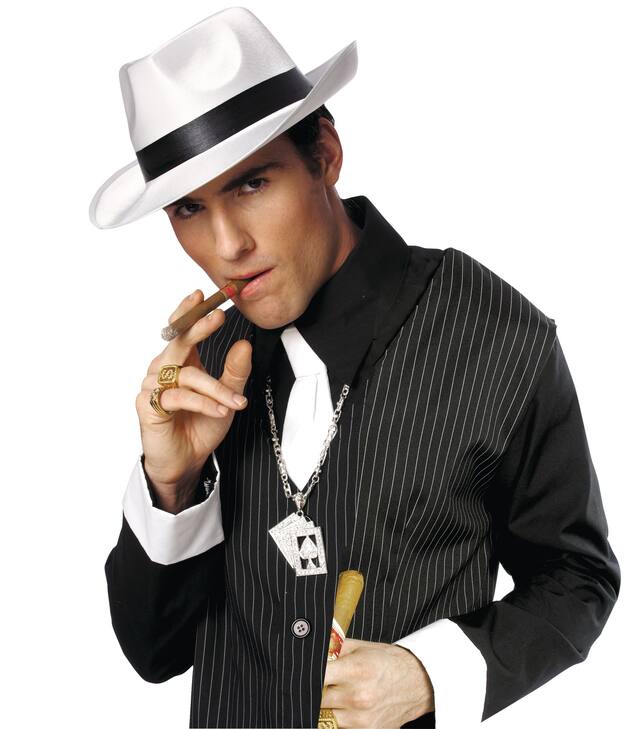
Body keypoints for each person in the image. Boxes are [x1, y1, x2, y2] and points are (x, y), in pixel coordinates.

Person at [90, 8, 621, 729]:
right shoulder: (203, 365)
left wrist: (430, 673)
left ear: (326, 156)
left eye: (252, 184)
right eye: (188, 208)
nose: (227, 245)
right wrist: (170, 484)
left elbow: (578, 577)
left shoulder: (497, 335)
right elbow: (154, 653)